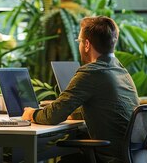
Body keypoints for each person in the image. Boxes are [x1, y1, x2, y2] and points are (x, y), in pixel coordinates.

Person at [22, 16, 139, 163]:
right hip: (131, 155)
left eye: (79, 41)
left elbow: (54, 116)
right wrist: (71, 113)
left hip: (110, 157)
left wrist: (32, 113)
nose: (79, 45)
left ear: (87, 44)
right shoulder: (120, 70)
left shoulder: (91, 72)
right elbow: (106, 108)